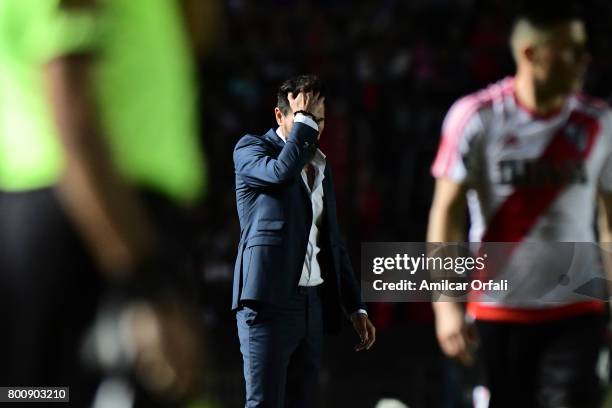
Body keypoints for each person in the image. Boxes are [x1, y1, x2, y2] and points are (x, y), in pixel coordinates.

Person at [0, 0, 208, 405]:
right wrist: (144, 283)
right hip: (96, 218)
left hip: (72, 213)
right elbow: (71, 108)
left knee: (33, 393)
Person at [428, 3, 611, 407]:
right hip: (497, 311)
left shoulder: (600, 121)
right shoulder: (477, 117)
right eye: (570, 49)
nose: (584, 59)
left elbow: (610, 223)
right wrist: (445, 307)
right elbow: (446, 214)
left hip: (577, 310)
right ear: (531, 53)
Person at [232, 75, 376, 408]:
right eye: (306, 117)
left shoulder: (320, 165)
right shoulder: (251, 149)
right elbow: (281, 172)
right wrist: (304, 125)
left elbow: (332, 242)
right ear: (280, 116)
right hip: (267, 303)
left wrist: (355, 306)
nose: (316, 127)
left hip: (312, 305)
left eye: (320, 119)